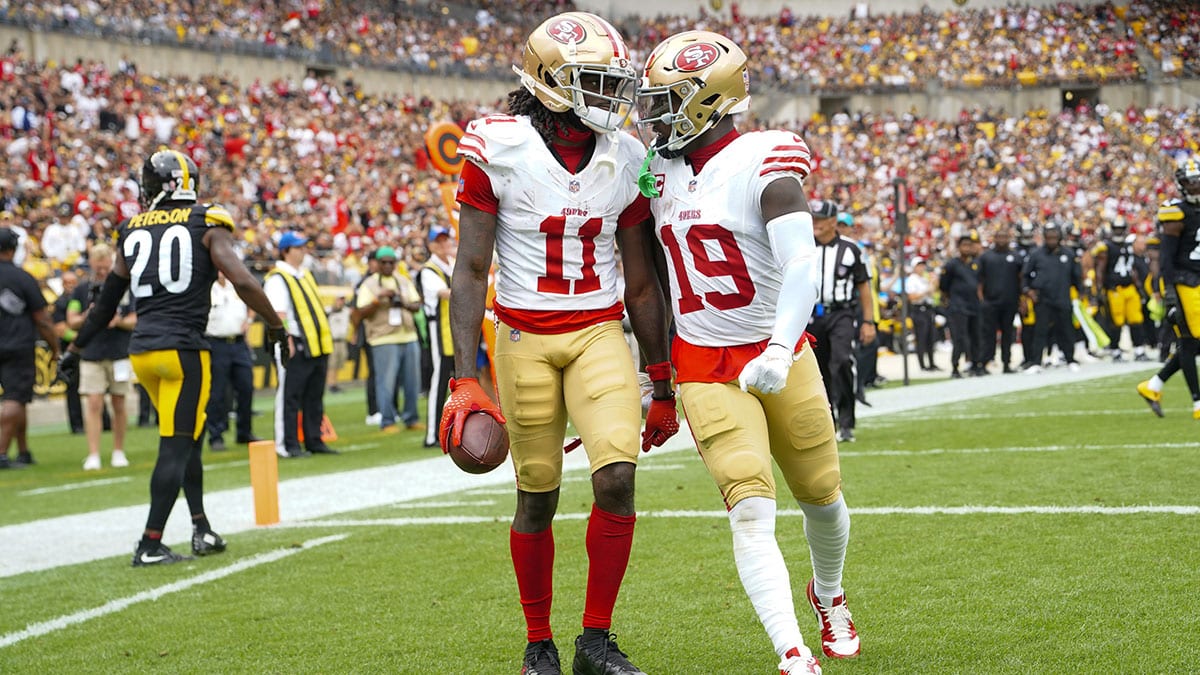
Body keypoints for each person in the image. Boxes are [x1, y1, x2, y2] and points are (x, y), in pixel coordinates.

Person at [445, 12, 678, 675]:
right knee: (537, 492)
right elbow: (468, 269)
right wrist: (467, 375)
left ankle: (595, 639)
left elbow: (640, 281)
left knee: (617, 476)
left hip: (599, 332)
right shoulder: (498, 146)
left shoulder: (627, 155)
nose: (612, 98)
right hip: (523, 336)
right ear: (550, 84)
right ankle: (538, 640)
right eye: (596, 83)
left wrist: (661, 380)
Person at [637, 29, 858, 675]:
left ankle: (830, 593)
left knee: (822, 495)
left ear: (708, 99)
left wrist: (780, 345)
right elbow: (649, 273)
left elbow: (799, 266)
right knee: (750, 507)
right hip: (705, 360)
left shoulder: (766, 159)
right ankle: (791, 652)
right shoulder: (657, 174)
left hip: (778, 347)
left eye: (668, 99)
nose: (654, 113)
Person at [59, 150, 288, 565]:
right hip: (183, 352)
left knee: (189, 438)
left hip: (144, 352)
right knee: (176, 446)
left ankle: (201, 527)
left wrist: (75, 348)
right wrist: (275, 324)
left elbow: (107, 303)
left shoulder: (131, 229)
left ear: (150, 186)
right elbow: (240, 279)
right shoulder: (206, 220)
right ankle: (150, 542)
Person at [264, 230, 339, 457]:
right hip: (295, 342)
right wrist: (286, 340)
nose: (303, 251)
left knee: (313, 396)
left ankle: (314, 440)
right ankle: (286, 444)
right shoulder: (278, 278)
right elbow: (278, 313)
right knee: (289, 396)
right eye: (298, 247)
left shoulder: (304, 274)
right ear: (286, 251)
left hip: (315, 344)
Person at [1137, 157, 1200, 420]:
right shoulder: (1175, 212)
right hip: (1184, 283)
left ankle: (1153, 385)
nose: (1195, 186)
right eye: (1190, 182)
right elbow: (1166, 258)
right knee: (1188, 341)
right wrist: (1170, 294)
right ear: (1181, 184)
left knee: (1192, 343)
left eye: (1198, 181)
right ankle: (1197, 402)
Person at [808, 200, 874, 442]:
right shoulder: (802, 245)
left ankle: (846, 422)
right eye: (813, 218)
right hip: (810, 314)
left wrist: (869, 321)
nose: (815, 223)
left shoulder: (851, 249)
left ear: (833, 221)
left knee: (842, 361)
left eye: (820, 219)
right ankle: (828, 422)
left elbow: (863, 287)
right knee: (818, 370)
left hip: (841, 313)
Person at [67, 243, 135, 470]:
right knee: (93, 403)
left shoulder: (124, 288)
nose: (103, 273)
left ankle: (119, 450)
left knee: (119, 401)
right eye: (99, 268)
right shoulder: (81, 289)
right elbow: (71, 319)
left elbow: (137, 317)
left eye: (106, 268)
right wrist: (91, 316)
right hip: (91, 352)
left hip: (118, 351)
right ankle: (93, 453)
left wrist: (120, 322)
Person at [1, 227, 58, 469]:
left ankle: (23, 451)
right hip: (16, 346)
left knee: (20, 400)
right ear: (12, 249)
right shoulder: (22, 277)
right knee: (15, 398)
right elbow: (42, 319)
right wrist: (55, 348)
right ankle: (1, 453)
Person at [353, 245, 422, 434]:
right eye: (384, 262)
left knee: (412, 382)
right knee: (386, 382)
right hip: (382, 338)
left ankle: (411, 417)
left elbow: (417, 305)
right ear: (377, 263)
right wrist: (378, 299)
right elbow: (360, 312)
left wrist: (404, 302)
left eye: (391, 262)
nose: (388, 265)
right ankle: (387, 420)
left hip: (408, 334)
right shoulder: (369, 284)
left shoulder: (403, 281)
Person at [204, 271, 259, 452]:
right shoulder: (207, 288)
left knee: (246, 387)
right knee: (217, 392)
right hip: (216, 343)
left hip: (238, 342)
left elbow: (253, 299)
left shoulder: (236, 285)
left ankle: (244, 431)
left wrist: (249, 320)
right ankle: (215, 435)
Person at [1020, 223, 1083, 372]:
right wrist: (1028, 291)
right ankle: (1036, 362)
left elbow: (1076, 277)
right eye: (1049, 237)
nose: (1051, 240)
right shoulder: (1036, 254)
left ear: (1059, 237)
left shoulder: (1068, 254)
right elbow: (1025, 276)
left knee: (1066, 330)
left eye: (1054, 237)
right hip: (1043, 299)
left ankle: (1070, 359)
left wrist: (1080, 293)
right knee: (1039, 331)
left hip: (1063, 297)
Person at [1091, 218, 1151, 361]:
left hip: (1129, 287)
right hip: (1114, 289)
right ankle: (1115, 350)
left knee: (1136, 319)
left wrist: (1139, 287)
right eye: (1116, 228)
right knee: (1116, 321)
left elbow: (1132, 268)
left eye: (1121, 228)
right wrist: (1099, 290)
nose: (1119, 231)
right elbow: (1100, 270)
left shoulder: (1128, 245)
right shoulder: (1106, 247)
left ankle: (1139, 350)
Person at [419, 226, 455, 447]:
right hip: (440, 332)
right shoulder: (429, 270)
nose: (444, 245)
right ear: (431, 245)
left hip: (455, 329)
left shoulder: (450, 264)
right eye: (438, 242)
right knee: (439, 382)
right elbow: (445, 293)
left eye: (445, 240)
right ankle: (432, 434)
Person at [977, 226, 1025, 373]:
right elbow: (979, 281)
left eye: (1005, 237)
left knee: (1008, 333)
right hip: (991, 302)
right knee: (988, 334)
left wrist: (1021, 300)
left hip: (1010, 301)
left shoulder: (1016, 257)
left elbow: (1021, 280)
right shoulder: (986, 257)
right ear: (994, 239)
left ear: (1009, 239)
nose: (1002, 240)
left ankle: (1006, 363)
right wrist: (982, 300)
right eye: (999, 237)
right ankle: (986, 361)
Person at [939, 231, 983, 378]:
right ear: (959, 247)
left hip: (973, 304)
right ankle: (955, 366)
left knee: (975, 335)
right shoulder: (952, 264)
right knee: (959, 337)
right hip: (958, 305)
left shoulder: (975, 264)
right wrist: (949, 299)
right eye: (964, 245)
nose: (967, 248)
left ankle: (976, 364)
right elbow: (943, 284)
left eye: (969, 245)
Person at [51, 268, 87, 433]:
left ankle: (104, 422)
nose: (71, 286)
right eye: (68, 283)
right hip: (70, 351)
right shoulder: (60, 303)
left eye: (74, 283)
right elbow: (60, 330)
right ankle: (77, 425)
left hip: (86, 348)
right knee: (72, 388)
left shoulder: (82, 298)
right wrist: (83, 337)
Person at [903, 258, 939, 371]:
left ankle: (932, 363)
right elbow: (912, 297)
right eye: (919, 265)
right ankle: (922, 365)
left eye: (923, 265)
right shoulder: (911, 280)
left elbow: (933, 292)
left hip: (928, 309)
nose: (922, 268)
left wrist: (933, 282)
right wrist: (926, 291)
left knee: (930, 337)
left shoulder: (924, 279)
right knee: (921, 338)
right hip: (918, 309)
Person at [325, 294, 351, 394]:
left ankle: (335, 383)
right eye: (339, 300)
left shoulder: (346, 311)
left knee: (339, 363)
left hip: (342, 341)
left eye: (342, 300)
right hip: (332, 341)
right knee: (332, 364)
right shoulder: (329, 310)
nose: (341, 302)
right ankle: (331, 384)